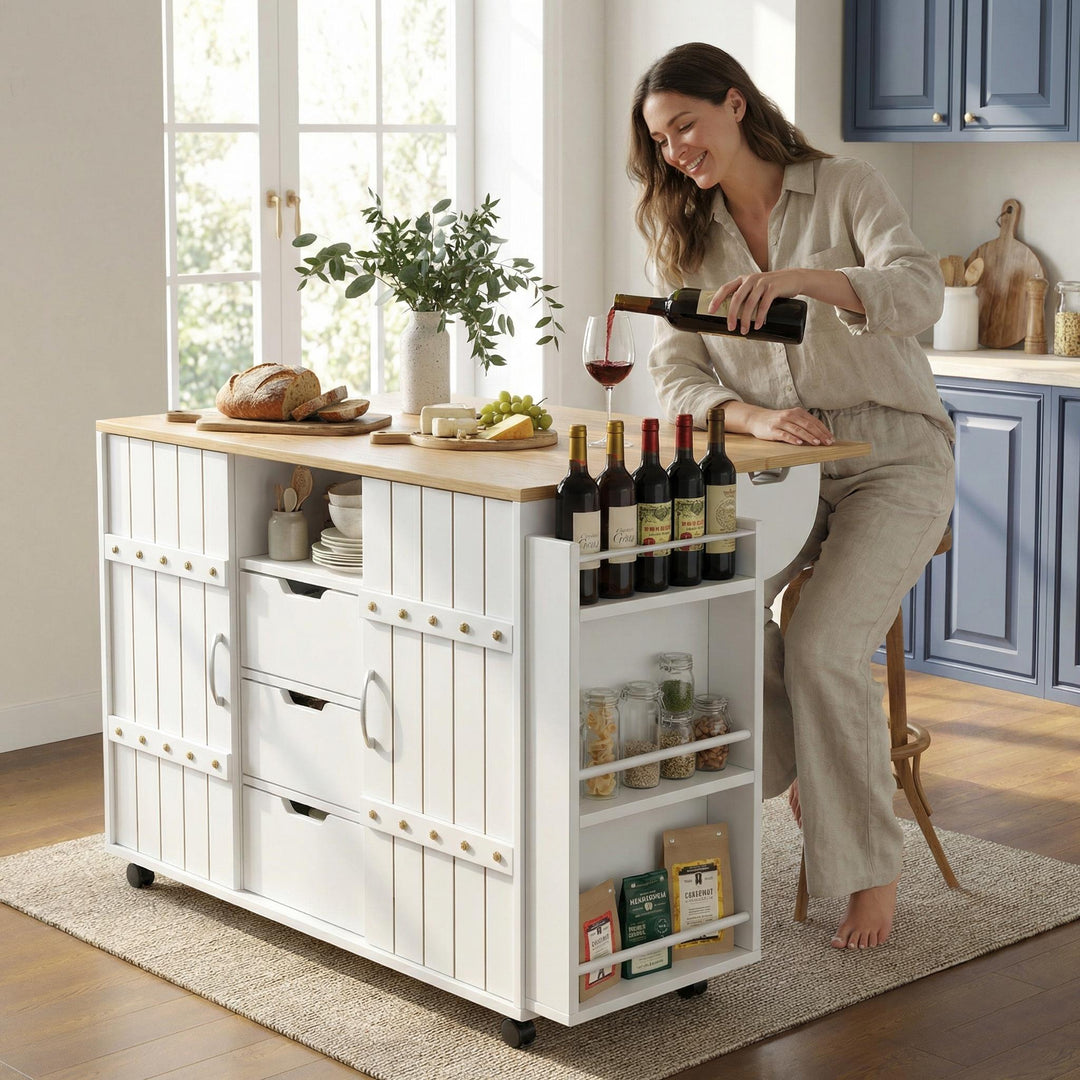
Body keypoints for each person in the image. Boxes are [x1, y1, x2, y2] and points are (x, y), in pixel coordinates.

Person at [629, 42, 955, 949]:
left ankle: (869, 875)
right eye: (660, 141)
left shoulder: (844, 186)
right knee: (708, 613)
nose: (676, 152)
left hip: (894, 451)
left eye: (685, 125)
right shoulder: (684, 237)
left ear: (735, 104)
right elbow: (676, 373)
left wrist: (804, 281)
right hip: (786, 463)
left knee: (819, 642)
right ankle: (813, 754)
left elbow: (921, 290)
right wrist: (747, 413)